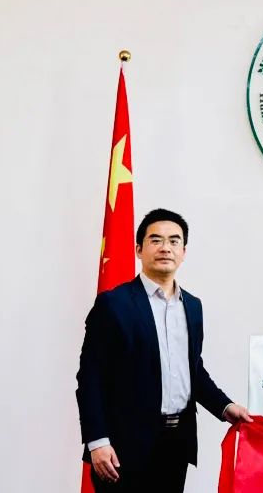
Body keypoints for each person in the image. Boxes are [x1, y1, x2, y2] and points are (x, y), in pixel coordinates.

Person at [76, 208, 253, 492]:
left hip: (175, 445)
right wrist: (97, 441)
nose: (165, 248)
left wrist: (225, 406)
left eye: (174, 241)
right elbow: (90, 378)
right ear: (139, 249)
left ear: (183, 252)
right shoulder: (114, 304)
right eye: (156, 240)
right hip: (122, 448)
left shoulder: (192, 306)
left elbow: (193, 370)